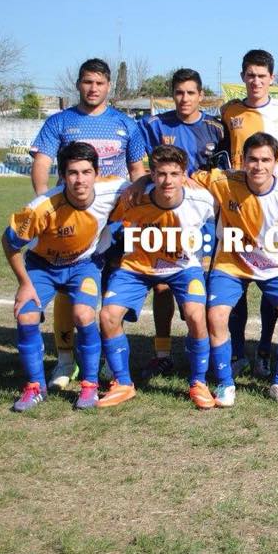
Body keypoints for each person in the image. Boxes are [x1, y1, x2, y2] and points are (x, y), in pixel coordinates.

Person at [28, 58, 147, 391]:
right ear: (78, 84)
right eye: (87, 82)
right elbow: (42, 163)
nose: (93, 88)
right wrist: (44, 205)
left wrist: (136, 212)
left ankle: (106, 358)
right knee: (68, 286)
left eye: (99, 83)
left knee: (110, 286)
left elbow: (137, 171)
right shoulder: (60, 121)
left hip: (116, 220)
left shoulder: (125, 124)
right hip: (72, 218)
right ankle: (66, 359)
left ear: (108, 86)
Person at [3, 142, 128, 411]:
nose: (80, 180)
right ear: (62, 175)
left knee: (84, 314)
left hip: (84, 265)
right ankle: (35, 387)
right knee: (25, 316)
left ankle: (90, 385)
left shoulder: (115, 188)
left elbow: (143, 186)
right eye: (72, 173)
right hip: (42, 267)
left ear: (96, 173)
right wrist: (24, 284)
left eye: (86, 172)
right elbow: (9, 242)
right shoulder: (41, 208)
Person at [191, 132, 278, 406]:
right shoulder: (223, 181)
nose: (258, 166)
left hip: (275, 265)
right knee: (216, 316)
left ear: (276, 161)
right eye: (253, 159)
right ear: (243, 160)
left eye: (265, 160)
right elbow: (189, 178)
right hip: (231, 262)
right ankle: (225, 384)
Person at [99, 145, 216, 409]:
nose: (168, 181)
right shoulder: (133, 197)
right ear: (151, 174)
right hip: (137, 267)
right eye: (161, 174)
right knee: (108, 315)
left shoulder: (201, 200)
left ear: (184, 174)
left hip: (183, 267)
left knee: (197, 315)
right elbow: (109, 222)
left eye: (174, 174)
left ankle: (199, 382)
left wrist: (206, 254)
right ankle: (123, 383)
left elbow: (213, 226)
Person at [139, 68, 226, 379]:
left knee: (200, 282)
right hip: (164, 217)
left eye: (191, 93)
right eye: (179, 92)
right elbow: (137, 164)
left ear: (201, 95)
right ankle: (162, 353)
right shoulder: (154, 125)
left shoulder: (217, 128)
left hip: (203, 218)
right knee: (162, 283)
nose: (185, 98)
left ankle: (198, 351)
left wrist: (200, 182)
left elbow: (225, 172)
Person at [220, 50, 278, 377]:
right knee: (236, 276)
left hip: (276, 207)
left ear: (272, 78)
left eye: (262, 75)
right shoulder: (229, 111)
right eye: (250, 75)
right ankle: (238, 351)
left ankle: (265, 349)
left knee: (272, 275)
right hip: (240, 204)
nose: (256, 81)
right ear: (243, 77)